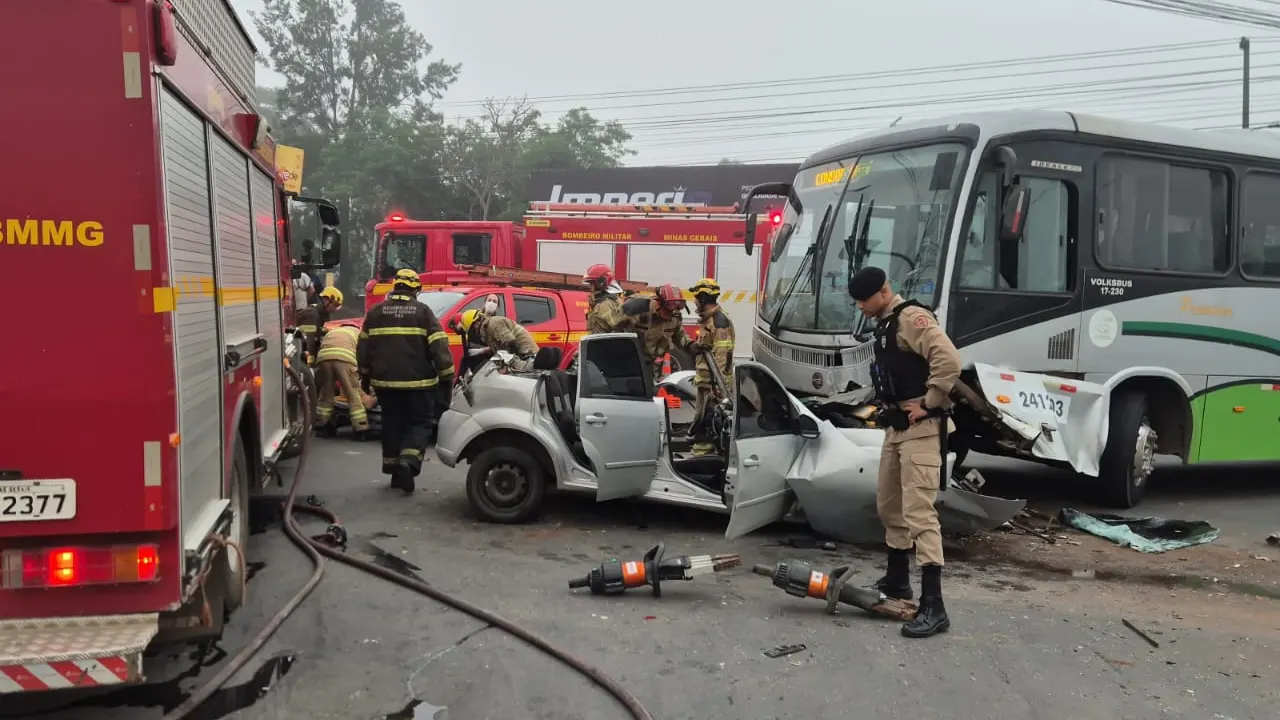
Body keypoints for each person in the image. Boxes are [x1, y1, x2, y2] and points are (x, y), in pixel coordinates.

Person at [849, 265, 962, 639]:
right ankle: (898, 580)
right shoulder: (886, 323)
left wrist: (929, 403)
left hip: (920, 429)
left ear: (884, 291)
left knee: (919, 514)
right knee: (889, 505)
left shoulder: (912, 318)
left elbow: (949, 361)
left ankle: (934, 606)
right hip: (896, 429)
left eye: (865, 299)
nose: (861, 307)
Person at [357, 269, 455, 494]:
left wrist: (364, 375)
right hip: (418, 384)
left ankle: (393, 472)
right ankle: (408, 462)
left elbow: (363, 347)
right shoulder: (423, 312)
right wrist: (446, 376)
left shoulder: (375, 312)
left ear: (395, 286)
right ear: (416, 289)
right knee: (419, 421)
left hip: (384, 384)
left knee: (392, 423)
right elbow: (439, 346)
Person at [687, 278, 735, 456]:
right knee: (703, 417)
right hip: (707, 382)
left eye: (696, 298)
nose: (694, 302)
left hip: (714, 384)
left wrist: (718, 386)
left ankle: (702, 457)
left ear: (704, 298)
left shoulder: (718, 322)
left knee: (708, 419)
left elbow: (723, 356)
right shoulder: (709, 320)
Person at [313, 324, 372, 440]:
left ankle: (321, 425)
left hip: (323, 359)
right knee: (352, 393)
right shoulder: (359, 334)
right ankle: (361, 427)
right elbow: (364, 356)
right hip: (345, 359)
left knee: (326, 393)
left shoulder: (332, 332)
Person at [621, 283, 693, 374]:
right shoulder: (638, 308)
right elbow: (613, 326)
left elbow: (679, 336)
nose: (674, 310)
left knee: (648, 387)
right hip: (625, 362)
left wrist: (691, 345)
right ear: (659, 302)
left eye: (679, 305)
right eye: (670, 304)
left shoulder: (674, 317)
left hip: (647, 365)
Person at [458, 308, 540, 371]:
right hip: (522, 355)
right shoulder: (486, 330)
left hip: (527, 356)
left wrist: (509, 362)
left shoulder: (493, 324)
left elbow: (511, 343)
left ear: (476, 324)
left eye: (471, 331)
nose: (473, 334)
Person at [295, 286, 343, 364]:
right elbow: (309, 342)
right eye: (335, 305)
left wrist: (325, 332)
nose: (335, 309)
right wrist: (311, 363)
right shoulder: (312, 315)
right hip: (301, 358)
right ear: (327, 302)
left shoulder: (318, 314)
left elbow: (315, 330)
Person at [583, 264, 631, 335]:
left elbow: (615, 327)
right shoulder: (599, 302)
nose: (589, 286)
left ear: (600, 283)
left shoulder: (605, 304)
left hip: (603, 344)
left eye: (591, 283)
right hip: (598, 343)